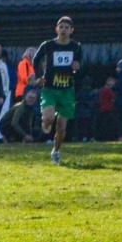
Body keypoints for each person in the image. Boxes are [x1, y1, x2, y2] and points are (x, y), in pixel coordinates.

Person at [34, 16, 84, 165]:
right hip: (49, 88)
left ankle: (56, 151)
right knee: (49, 118)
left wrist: (77, 68)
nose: (63, 30)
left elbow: (79, 68)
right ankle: (46, 122)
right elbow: (35, 61)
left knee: (61, 127)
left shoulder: (76, 47)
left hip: (67, 90)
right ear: (56, 29)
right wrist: (38, 77)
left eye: (66, 27)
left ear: (72, 31)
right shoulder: (48, 45)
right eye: (61, 27)